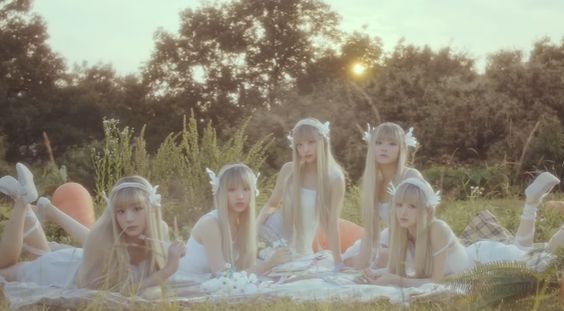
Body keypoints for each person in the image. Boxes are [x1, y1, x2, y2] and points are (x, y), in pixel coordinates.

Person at [0, 164, 185, 294]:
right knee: (3, 271)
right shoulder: (108, 239)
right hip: (59, 274)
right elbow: (123, 291)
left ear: (151, 209)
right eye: (120, 211)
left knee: (10, 264)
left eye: (137, 209)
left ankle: (22, 200)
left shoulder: (159, 232)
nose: (128, 218)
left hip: (69, 263)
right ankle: (22, 201)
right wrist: (168, 269)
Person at [364, 173, 562, 287]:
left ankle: (533, 204)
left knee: (545, 260)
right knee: (527, 250)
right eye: (399, 205)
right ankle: (531, 202)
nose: (403, 212)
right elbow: (397, 272)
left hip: (485, 259)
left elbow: (437, 281)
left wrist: (397, 280)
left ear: (427, 210)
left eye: (412, 206)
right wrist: (376, 274)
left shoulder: (437, 229)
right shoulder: (399, 233)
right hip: (477, 258)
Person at [257, 118, 346, 267]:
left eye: (311, 142)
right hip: (270, 234)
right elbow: (271, 204)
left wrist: (338, 261)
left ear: (323, 142)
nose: (305, 149)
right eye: (300, 144)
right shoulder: (288, 170)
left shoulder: (334, 178)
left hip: (300, 248)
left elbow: (332, 223)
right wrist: (254, 229)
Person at [178, 164, 291, 276]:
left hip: (216, 286)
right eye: (231, 190)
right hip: (190, 286)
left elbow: (241, 271)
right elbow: (222, 275)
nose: (240, 196)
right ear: (221, 193)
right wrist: (268, 265)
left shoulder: (242, 225)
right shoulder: (210, 224)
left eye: (246, 189)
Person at [345, 122, 422, 269]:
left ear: (401, 148)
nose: (384, 148)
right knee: (350, 261)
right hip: (392, 239)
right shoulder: (374, 182)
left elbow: (426, 222)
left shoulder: (410, 177)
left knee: (378, 259)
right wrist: (359, 266)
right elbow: (369, 232)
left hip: (416, 243)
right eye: (379, 143)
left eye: (392, 144)